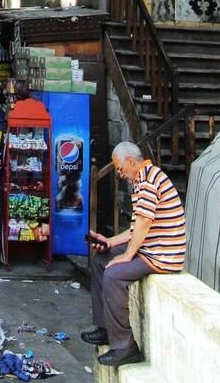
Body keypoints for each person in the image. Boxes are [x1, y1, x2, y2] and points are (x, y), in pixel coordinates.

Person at [82, 141, 187, 368]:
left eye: (120, 169)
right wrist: (109, 242)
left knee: (113, 275)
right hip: (150, 247)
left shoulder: (149, 180)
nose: (120, 175)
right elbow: (135, 229)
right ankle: (106, 329)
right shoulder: (142, 179)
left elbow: (144, 222)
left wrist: (127, 255)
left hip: (162, 254)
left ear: (131, 162)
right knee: (101, 259)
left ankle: (125, 346)